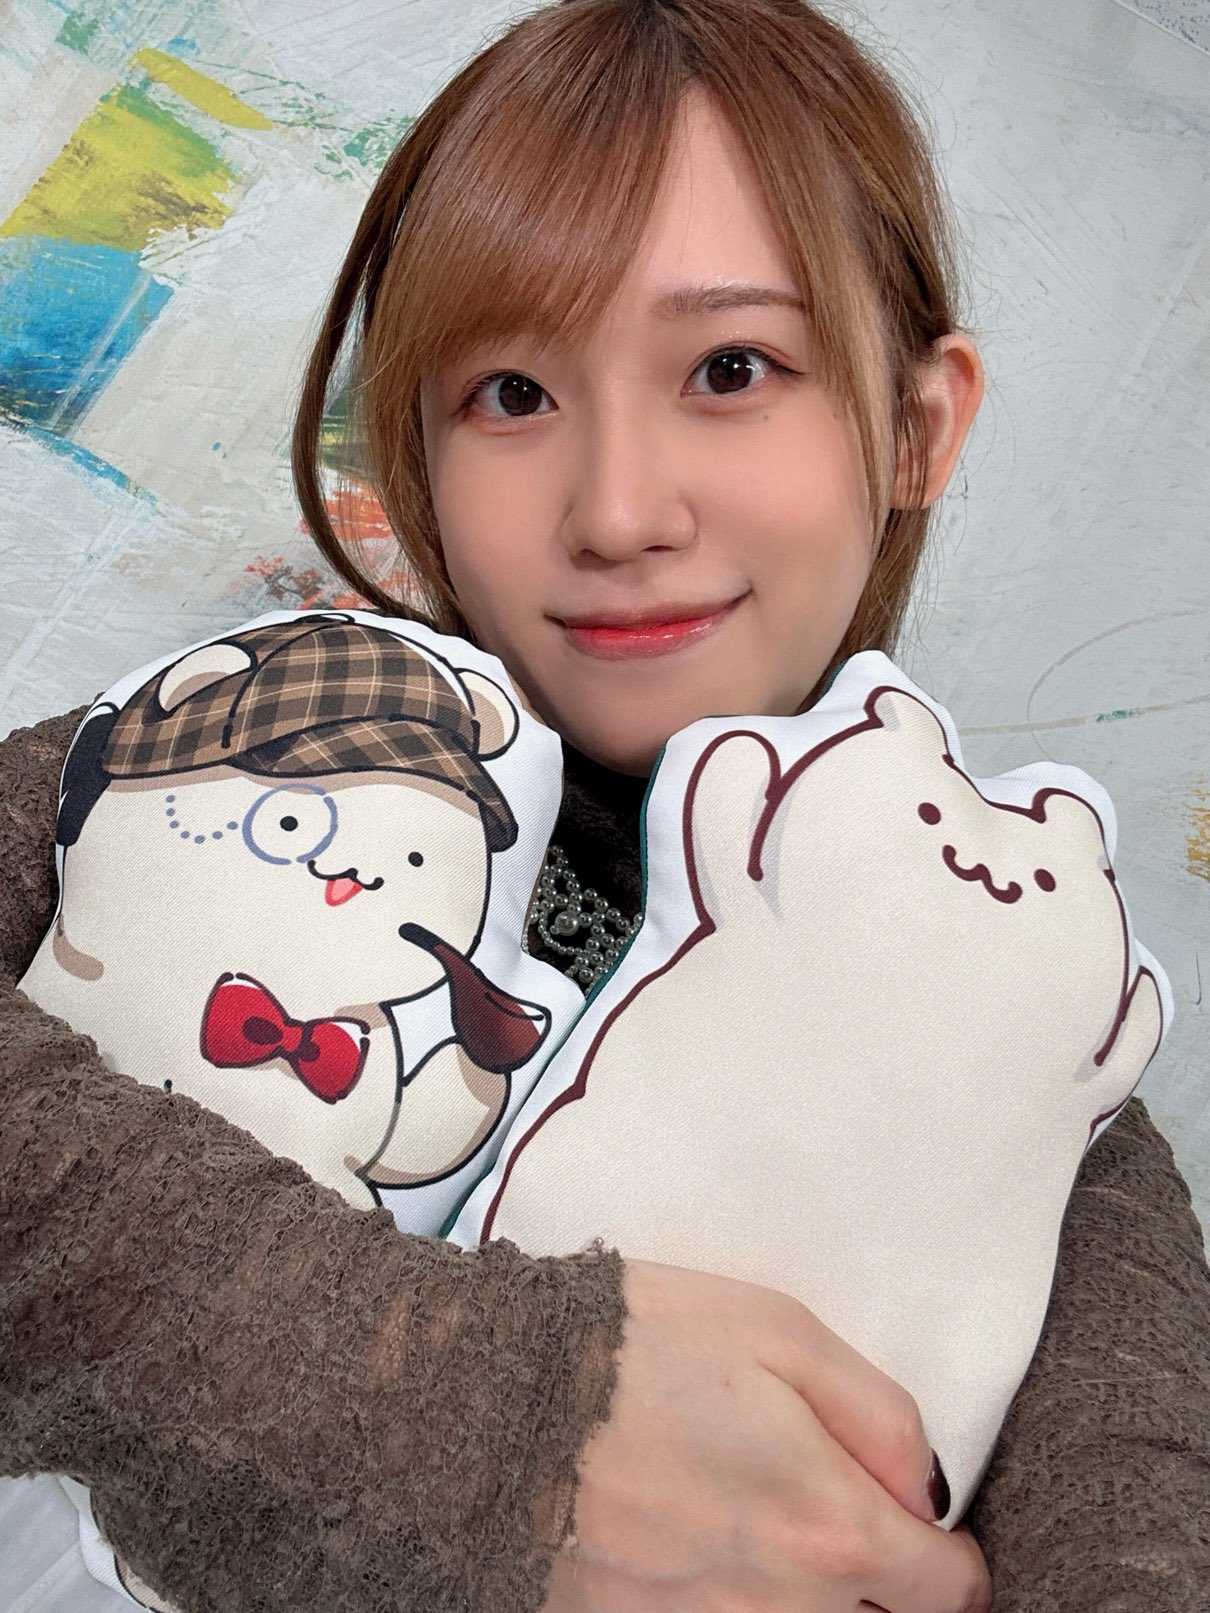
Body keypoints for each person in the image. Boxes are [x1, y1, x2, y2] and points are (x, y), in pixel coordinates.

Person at [1, 2, 1207, 1611]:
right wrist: (484, 1418)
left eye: (731, 368)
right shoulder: (247, 736)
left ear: (916, 425)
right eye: (510, 391)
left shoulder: (1026, 1011)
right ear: (414, 453)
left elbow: (1136, 1534)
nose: (619, 510)